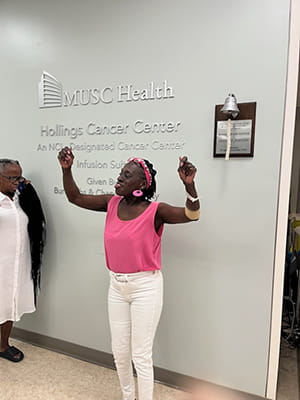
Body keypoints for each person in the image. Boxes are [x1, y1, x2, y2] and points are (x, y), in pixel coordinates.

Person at [58, 147, 200, 400]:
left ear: (142, 184)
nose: (119, 178)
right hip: (117, 287)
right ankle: (127, 396)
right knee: (120, 352)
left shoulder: (157, 211)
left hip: (146, 287)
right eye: (121, 173)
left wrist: (189, 186)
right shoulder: (111, 203)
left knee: (141, 355)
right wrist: (66, 169)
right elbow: (75, 197)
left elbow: (192, 215)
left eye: (126, 175)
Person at [0, 159, 45, 363]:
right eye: (11, 177)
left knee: (9, 304)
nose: (17, 181)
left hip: (17, 264)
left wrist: (26, 190)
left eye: (19, 176)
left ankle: (3, 345)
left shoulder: (21, 197)